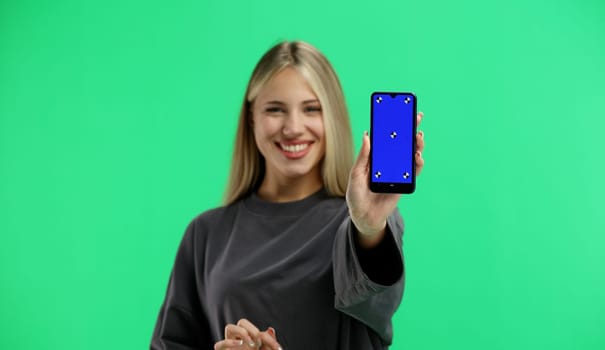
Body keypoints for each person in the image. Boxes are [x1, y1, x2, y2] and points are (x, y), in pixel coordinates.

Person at [150, 40, 426, 350]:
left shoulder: (359, 224)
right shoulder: (205, 234)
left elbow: (375, 299)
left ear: (332, 117)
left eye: (311, 108)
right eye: (275, 110)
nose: (293, 127)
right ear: (251, 117)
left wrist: (369, 225)